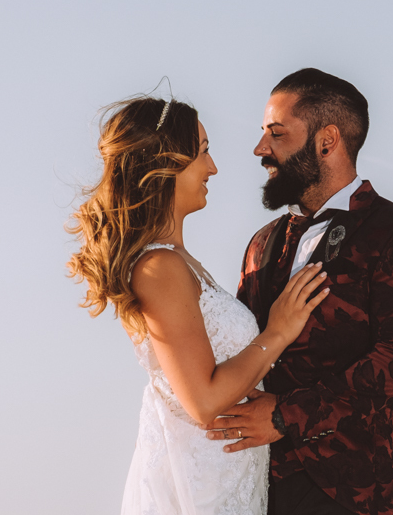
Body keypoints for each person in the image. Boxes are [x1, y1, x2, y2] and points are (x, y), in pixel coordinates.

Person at [202, 69, 393, 515]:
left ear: (327, 139)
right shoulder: (259, 244)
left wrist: (286, 415)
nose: (261, 149)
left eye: (276, 134)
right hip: (259, 490)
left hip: (360, 492)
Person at [67, 96, 330, 515]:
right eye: (203, 151)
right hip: (199, 492)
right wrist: (278, 332)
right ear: (165, 164)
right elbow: (203, 401)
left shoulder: (180, 262)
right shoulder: (158, 267)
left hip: (229, 480)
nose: (213, 167)